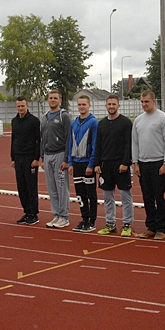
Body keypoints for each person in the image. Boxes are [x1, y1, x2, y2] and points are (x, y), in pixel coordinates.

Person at [131, 90, 165, 240]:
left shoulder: (164, 119)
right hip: (143, 164)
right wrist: (135, 162)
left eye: (146, 102)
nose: (144, 104)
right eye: (142, 102)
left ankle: (161, 228)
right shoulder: (138, 120)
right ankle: (151, 226)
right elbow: (134, 142)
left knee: (159, 197)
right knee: (147, 197)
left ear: (154, 101)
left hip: (159, 163)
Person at [94, 94, 134, 237]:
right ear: (106, 106)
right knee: (107, 197)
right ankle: (110, 223)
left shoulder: (126, 123)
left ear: (118, 105)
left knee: (125, 196)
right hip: (106, 165)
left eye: (113, 104)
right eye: (109, 104)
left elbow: (129, 145)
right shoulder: (101, 124)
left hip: (121, 165)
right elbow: (98, 145)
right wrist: (97, 163)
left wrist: (126, 163)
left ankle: (127, 224)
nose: (111, 106)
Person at [40, 89, 72, 228]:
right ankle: (56, 215)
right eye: (50, 98)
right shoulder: (45, 117)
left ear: (60, 100)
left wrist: (66, 159)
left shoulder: (64, 116)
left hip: (59, 154)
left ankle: (64, 216)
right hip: (47, 155)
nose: (52, 100)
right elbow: (42, 138)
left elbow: (68, 138)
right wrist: (42, 156)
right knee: (51, 187)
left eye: (55, 98)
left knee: (61, 186)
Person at [68, 94, 99, 232]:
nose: (81, 107)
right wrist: (70, 163)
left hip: (87, 164)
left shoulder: (93, 123)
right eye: (79, 104)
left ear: (89, 105)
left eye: (84, 104)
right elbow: (70, 145)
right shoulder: (73, 123)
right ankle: (84, 218)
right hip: (76, 163)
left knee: (90, 193)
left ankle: (92, 221)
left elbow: (95, 145)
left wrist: (91, 164)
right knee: (80, 194)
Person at [10, 96, 40, 225]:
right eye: (18, 106)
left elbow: (38, 140)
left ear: (27, 105)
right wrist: (12, 158)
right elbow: (13, 139)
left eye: (23, 106)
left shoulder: (34, 121)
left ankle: (33, 213)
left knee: (31, 186)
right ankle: (26, 211)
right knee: (21, 186)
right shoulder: (14, 121)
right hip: (18, 158)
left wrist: (36, 158)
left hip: (30, 158)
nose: (21, 108)